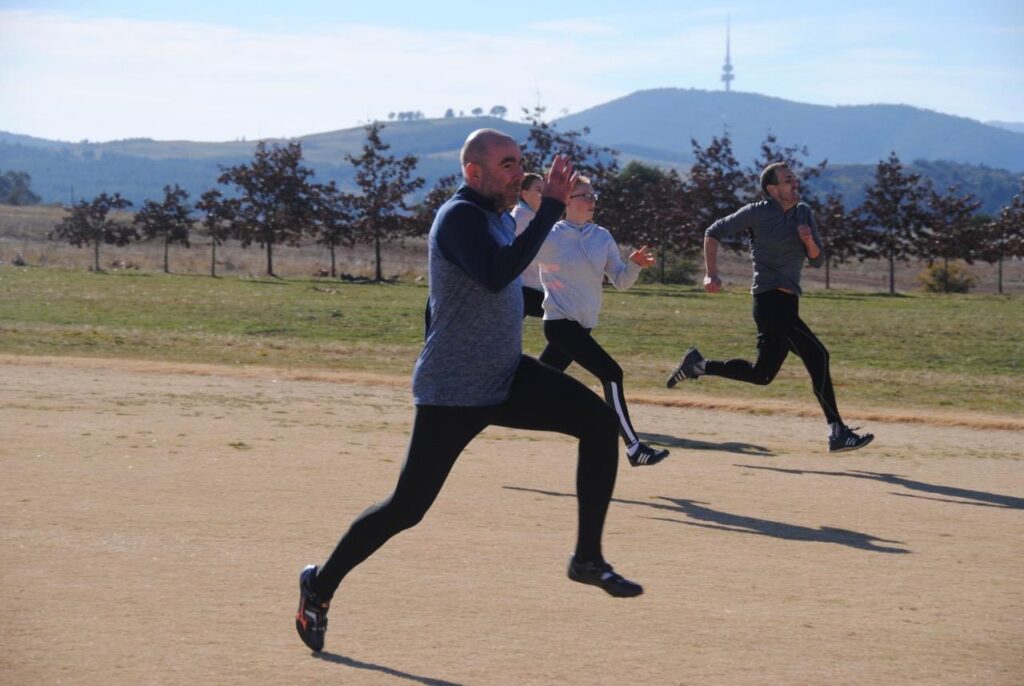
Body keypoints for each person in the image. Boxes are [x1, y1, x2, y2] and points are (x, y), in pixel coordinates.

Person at [295, 129, 643, 654]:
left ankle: (586, 559)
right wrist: (549, 207)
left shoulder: (500, 219)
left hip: (503, 374)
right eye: (506, 164)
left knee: (598, 423)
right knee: (406, 509)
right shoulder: (458, 217)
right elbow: (494, 274)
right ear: (473, 172)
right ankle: (318, 585)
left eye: (519, 162)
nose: (517, 172)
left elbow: (478, 294)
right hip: (454, 391)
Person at [666, 162, 874, 454]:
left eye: (795, 179)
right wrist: (710, 273)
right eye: (788, 180)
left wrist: (808, 240)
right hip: (769, 302)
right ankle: (837, 431)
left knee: (762, 374)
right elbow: (713, 232)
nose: (795, 183)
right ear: (772, 189)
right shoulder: (757, 212)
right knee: (818, 355)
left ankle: (698, 365)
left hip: (789, 302)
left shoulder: (804, 213)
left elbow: (817, 260)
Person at [535, 176, 670, 467]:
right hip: (560, 324)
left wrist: (634, 265)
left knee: (532, 388)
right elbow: (520, 258)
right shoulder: (550, 236)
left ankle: (481, 410)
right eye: (585, 195)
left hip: (583, 326)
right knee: (612, 373)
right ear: (567, 202)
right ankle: (634, 448)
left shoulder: (602, 237)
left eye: (594, 195)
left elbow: (620, 282)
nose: (592, 200)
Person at [511, 173, 546, 317]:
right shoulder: (522, 220)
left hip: (527, 288)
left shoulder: (530, 218)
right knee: (569, 315)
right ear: (524, 193)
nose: (543, 195)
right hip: (524, 289)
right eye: (539, 190)